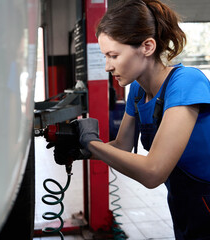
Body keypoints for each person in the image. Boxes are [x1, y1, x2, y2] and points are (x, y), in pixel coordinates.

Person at [50, 0, 210, 239]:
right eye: (105, 56)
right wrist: (78, 147)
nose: (107, 66)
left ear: (147, 47)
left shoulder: (186, 82)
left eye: (113, 55)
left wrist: (92, 143)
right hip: (183, 201)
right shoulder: (137, 91)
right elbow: (121, 147)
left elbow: (153, 172)